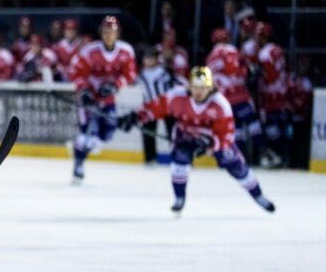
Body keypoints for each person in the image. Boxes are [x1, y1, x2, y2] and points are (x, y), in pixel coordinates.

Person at [117, 66, 276, 214]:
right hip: (185, 135)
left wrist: (211, 143)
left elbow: (227, 135)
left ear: (210, 87)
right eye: (195, 87)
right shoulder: (176, 96)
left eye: (203, 88)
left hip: (212, 139)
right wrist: (135, 117)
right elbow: (155, 108)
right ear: (189, 87)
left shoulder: (220, 105)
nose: (199, 92)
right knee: (179, 163)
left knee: (237, 167)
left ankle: (258, 196)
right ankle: (179, 198)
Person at [69, 15, 137, 181]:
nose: (108, 35)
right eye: (105, 32)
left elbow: (130, 74)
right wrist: (83, 90)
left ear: (117, 34)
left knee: (108, 133)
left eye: (111, 32)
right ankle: (79, 163)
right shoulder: (90, 51)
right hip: (89, 99)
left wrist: (116, 86)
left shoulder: (126, 51)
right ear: (101, 33)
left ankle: (83, 147)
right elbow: (76, 72)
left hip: (108, 99)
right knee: (86, 132)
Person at [205, 27, 268, 163]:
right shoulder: (230, 50)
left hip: (223, 100)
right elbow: (236, 70)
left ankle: (242, 158)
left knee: (236, 129)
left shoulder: (209, 57)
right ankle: (265, 154)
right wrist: (249, 71)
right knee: (253, 123)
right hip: (239, 95)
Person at [253, 21, 288, 168]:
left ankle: (278, 156)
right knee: (279, 128)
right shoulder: (277, 49)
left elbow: (270, 76)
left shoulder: (265, 53)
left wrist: (257, 74)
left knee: (271, 129)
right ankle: (282, 156)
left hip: (270, 96)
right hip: (282, 93)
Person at [136, 47, 176, 164]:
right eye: (146, 58)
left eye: (151, 58)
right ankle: (150, 158)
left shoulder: (164, 72)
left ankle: (178, 157)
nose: (148, 61)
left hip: (166, 107)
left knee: (173, 133)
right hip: (149, 107)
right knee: (148, 132)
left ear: (156, 60)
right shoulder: (141, 74)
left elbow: (176, 85)